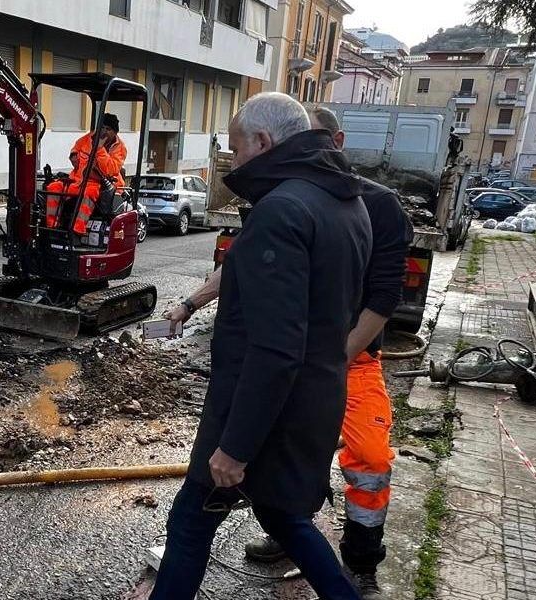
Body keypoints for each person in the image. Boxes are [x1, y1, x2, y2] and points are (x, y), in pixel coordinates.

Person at [166, 106, 413, 599]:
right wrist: (191, 303)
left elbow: (276, 348)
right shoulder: (346, 202)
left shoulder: (283, 210)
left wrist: (235, 448)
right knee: (284, 517)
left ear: (261, 141)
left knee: (192, 521)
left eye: (236, 149)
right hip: (311, 401)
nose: (234, 162)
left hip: (264, 411)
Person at [44, 113, 127, 235]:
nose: (103, 131)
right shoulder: (88, 138)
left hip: (100, 184)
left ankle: (77, 230)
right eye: (102, 127)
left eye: (108, 129)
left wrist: (99, 149)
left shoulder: (120, 148)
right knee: (54, 187)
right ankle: (52, 226)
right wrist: (73, 155)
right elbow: (77, 147)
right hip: (77, 181)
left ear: (115, 132)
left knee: (89, 193)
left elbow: (110, 170)